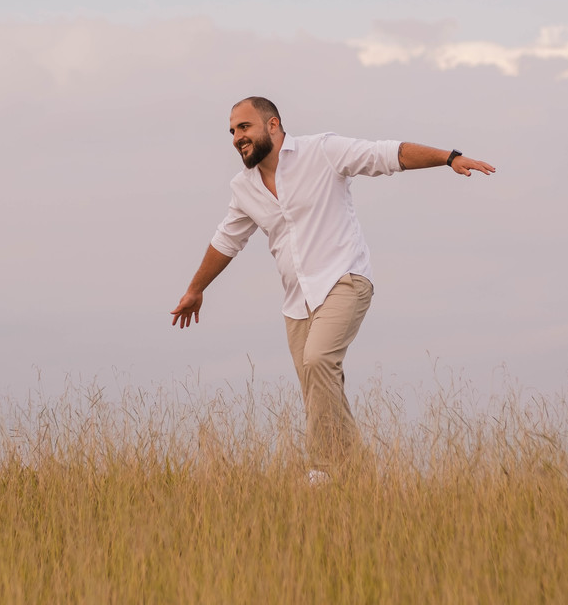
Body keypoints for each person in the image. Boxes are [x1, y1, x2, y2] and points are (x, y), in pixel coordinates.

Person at [170, 97, 495, 484]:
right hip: (297, 303)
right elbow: (225, 241)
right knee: (319, 387)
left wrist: (449, 157)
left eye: (244, 127)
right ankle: (359, 478)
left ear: (272, 125)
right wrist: (195, 290)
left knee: (319, 360)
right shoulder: (244, 189)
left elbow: (389, 155)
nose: (237, 137)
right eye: (232, 131)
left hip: (345, 280)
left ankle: (323, 468)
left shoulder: (320, 151)